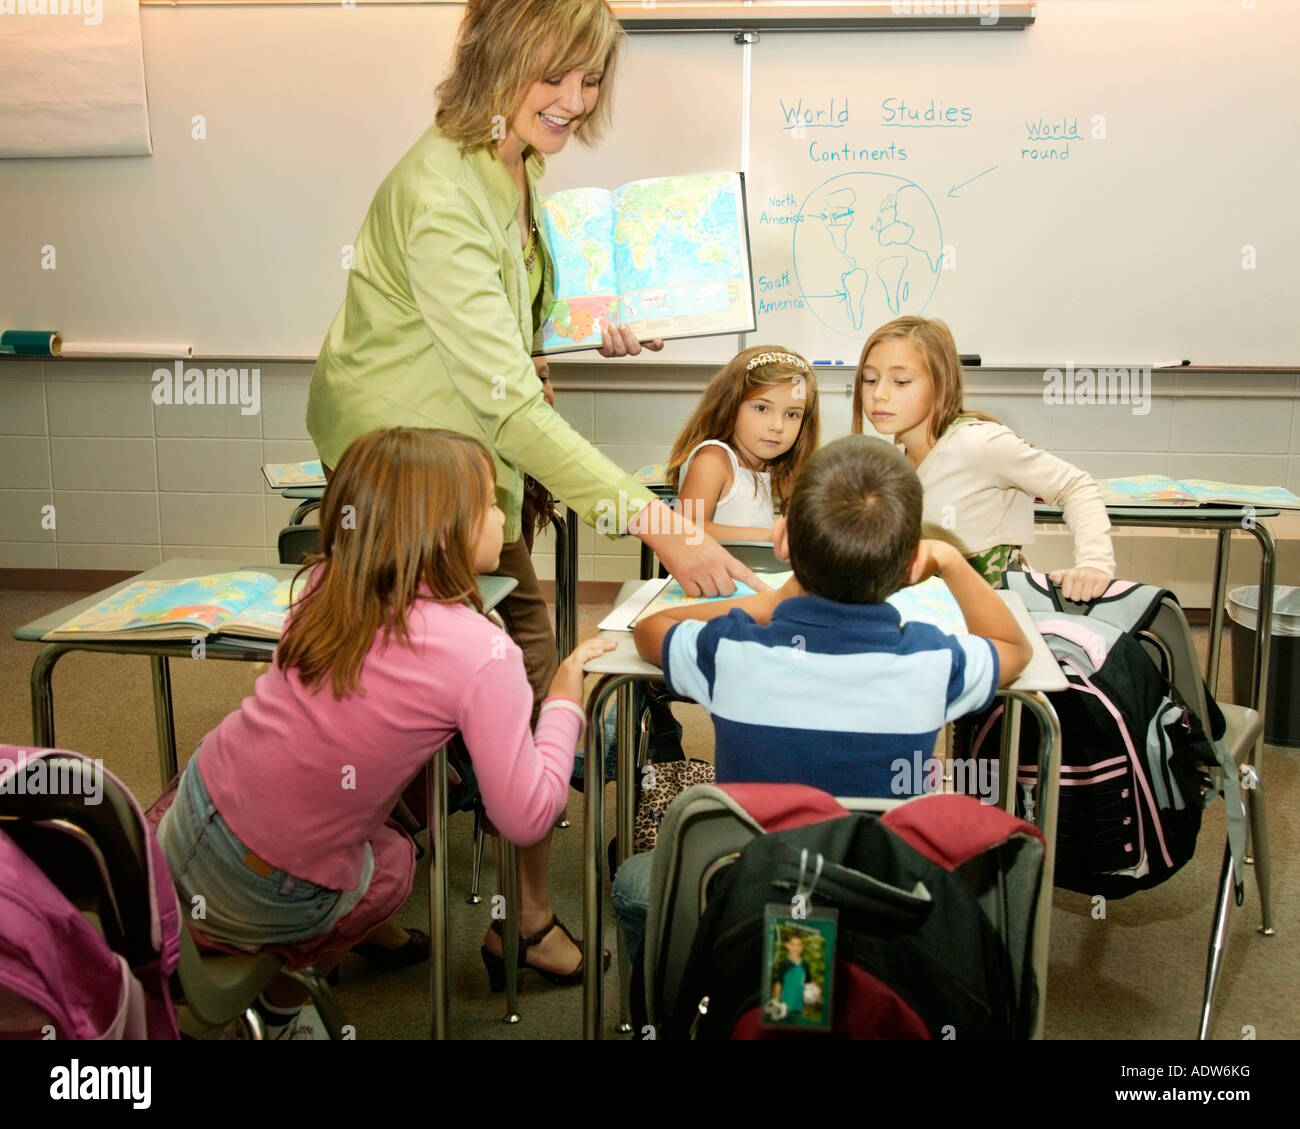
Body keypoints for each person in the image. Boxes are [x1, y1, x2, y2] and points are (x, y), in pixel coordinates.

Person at [306, 0, 761, 747]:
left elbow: (500, 313)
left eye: (590, 80)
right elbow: (511, 409)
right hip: (400, 461)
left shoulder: (513, 156)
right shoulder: (443, 195)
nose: (577, 103)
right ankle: (423, 823)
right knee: (446, 674)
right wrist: (661, 525)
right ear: (498, 58)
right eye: (555, 77)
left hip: (471, 450)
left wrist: (582, 333)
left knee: (525, 652)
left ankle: (511, 798)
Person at [156, 428, 617, 1039]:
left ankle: (213, 952)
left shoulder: (323, 584)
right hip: (265, 884)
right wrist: (564, 696)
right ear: (440, 526)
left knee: (396, 808)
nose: (502, 514)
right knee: (395, 862)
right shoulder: (484, 652)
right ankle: (282, 999)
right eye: (487, 501)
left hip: (185, 814)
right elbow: (528, 817)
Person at [610, 435, 1033, 967]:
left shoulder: (733, 651)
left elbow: (650, 630)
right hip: (876, 895)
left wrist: (766, 602)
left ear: (783, 539)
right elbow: (1013, 647)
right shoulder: (930, 663)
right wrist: (949, 560)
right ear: (909, 566)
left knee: (633, 884)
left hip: (748, 888)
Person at [853, 316, 1115, 600]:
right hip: (940, 617)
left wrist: (1095, 564)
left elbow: (1075, 486)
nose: (879, 394)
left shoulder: (980, 443)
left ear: (941, 383)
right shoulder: (893, 463)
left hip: (1000, 618)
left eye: (901, 381)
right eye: (870, 379)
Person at [665, 346, 820, 542]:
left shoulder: (765, 466)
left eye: (792, 414)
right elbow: (684, 530)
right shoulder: (713, 460)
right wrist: (771, 536)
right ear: (730, 406)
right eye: (762, 408)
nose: (778, 426)